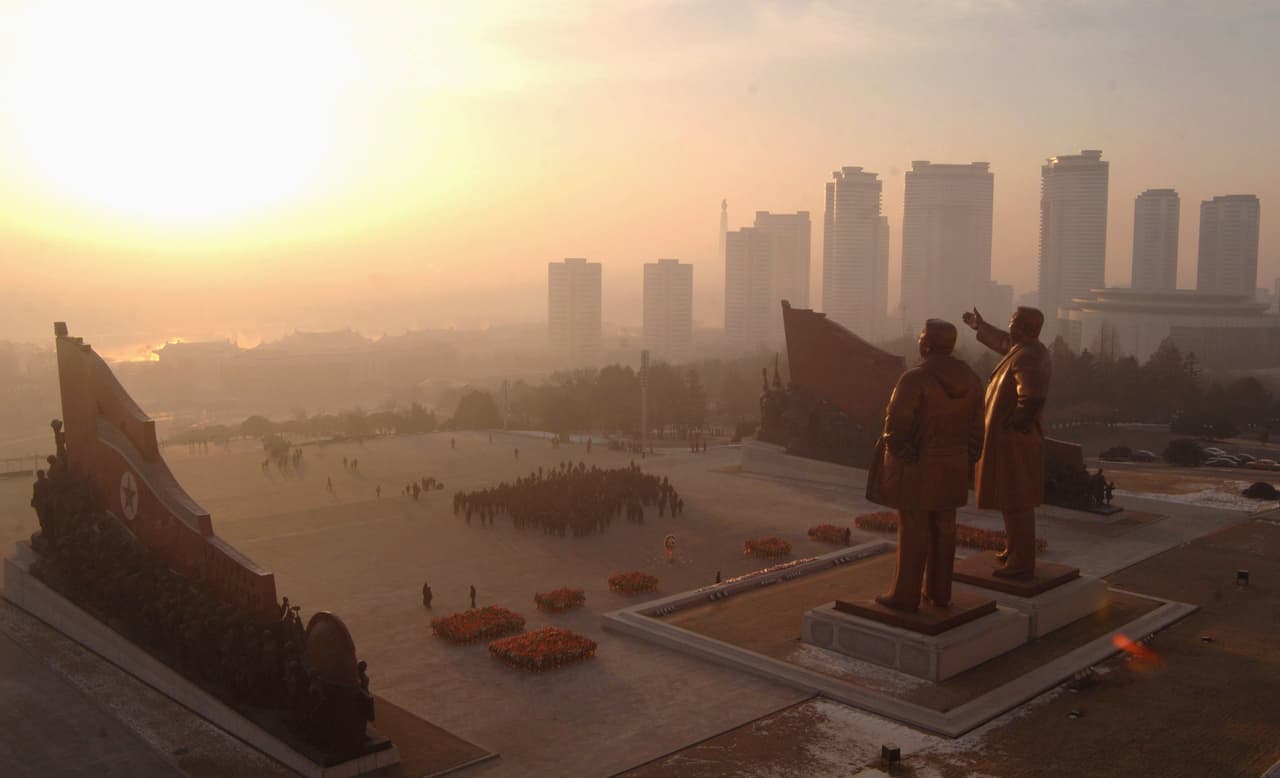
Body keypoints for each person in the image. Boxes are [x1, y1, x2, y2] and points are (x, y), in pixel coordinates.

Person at [867, 319, 984, 612]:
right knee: (945, 528)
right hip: (953, 466)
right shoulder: (971, 379)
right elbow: (976, 430)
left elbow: (894, 427)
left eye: (921, 338)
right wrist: (965, 459)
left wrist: (903, 455)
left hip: (919, 467)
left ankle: (904, 596)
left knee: (914, 529)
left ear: (927, 344)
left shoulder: (915, 379)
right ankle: (939, 593)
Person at [962, 306, 1052, 578]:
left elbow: (1032, 398)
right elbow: (1004, 342)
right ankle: (1013, 550)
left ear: (1026, 328)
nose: (1010, 326)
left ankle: (1022, 562)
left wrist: (1014, 425)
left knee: (1017, 502)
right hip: (1009, 439)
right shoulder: (1025, 349)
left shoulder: (1029, 357)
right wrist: (981, 326)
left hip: (1014, 442)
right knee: (1009, 499)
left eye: (1014, 322)